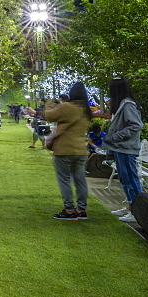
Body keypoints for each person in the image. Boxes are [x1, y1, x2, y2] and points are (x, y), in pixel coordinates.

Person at [45, 82, 92, 220]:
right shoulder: (86, 110)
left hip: (64, 149)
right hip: (80, 150)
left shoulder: (67, 107)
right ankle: (81, 210)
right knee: (80, 181)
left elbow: (49, 116)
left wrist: (49, 104)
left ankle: (69, 209)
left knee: (64, 179)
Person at [104, 77, 143, 223]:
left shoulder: (127, 104)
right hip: (121, 148)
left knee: (131, 181)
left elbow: (136, 125)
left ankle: (138, 211)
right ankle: (130, 206)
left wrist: (116, 136)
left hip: (126, 148)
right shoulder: (123, 104)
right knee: (125, 179)